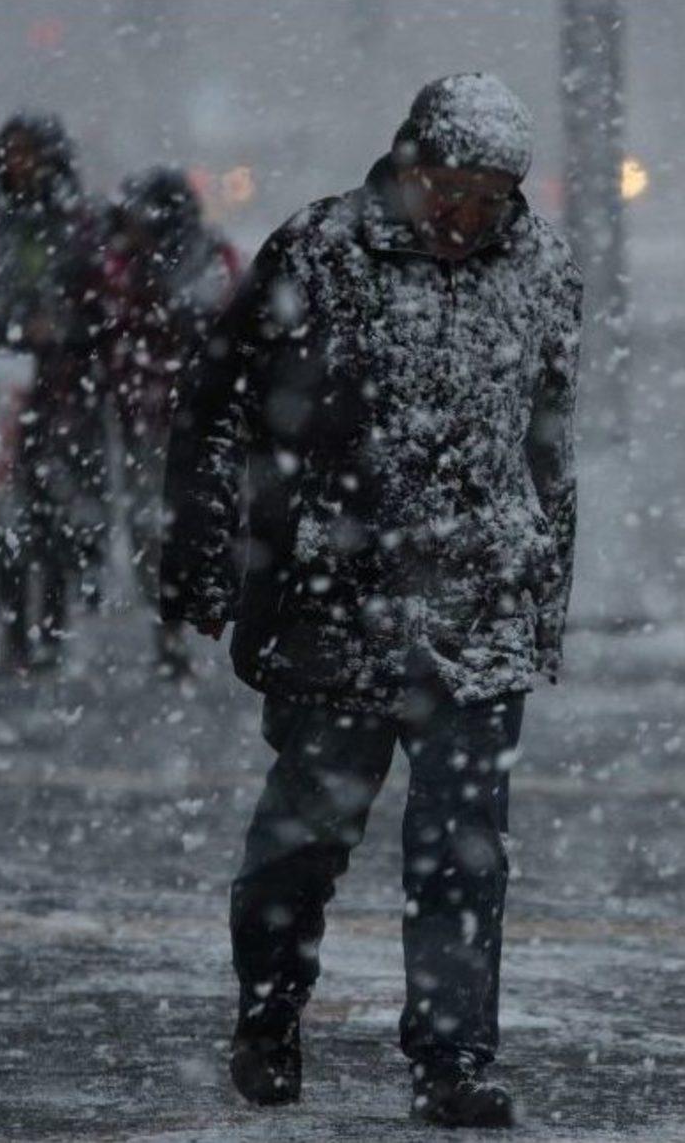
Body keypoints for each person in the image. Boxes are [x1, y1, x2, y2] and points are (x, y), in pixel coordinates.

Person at [160, 73, 582, 1128]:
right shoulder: (316, 252)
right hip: (330, 601)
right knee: (301, 844)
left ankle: (449, 1061)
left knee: (460, 855)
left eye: (488, 198)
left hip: (475, 614)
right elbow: (213, 404)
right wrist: (203, 549)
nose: (462, 216)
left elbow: (548, 444)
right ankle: (268, 1011)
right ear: (404, 166)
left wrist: (543, 593)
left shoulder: (540, 270)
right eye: (446, 187)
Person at [0, 113, 107, 672]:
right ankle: (16, 631)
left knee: (54, 520)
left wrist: (63, 328)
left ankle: (53, 628)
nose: (17, 165)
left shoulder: (80, 224)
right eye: (10, 153)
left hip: (63, 396)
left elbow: (102, 307)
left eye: (29, 153)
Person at [102, 168, 240, 676]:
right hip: (147, 416)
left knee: (182, 521)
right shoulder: (123, 263)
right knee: (149, 525)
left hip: (194, 415)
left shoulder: (207, 259)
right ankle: (170, 624)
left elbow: (220, 319)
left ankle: (182, 617)